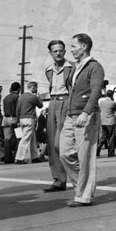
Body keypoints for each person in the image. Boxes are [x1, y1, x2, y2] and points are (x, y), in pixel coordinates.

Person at [59, 33, 104, 207]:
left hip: (86, 115)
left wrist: (86, 113)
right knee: (64, 152)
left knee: (85, 156)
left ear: (84, 47)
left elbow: (95, 91)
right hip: (71, 116)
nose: (71, 50)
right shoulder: (76, 67)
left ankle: (84, 196)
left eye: (73, 46)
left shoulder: (95, 67)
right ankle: (82, 188)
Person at [44, 39, 73, 192]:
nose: (58, 53)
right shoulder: (48, 70)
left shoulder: (72, 67)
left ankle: (77, 177)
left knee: (61, 143)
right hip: (53, 102)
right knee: (52, 143)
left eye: (60, 50)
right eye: (55, 51)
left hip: (66, 102)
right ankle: (58, 180)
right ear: (50, 53)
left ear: (64, 51)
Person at [15, 81, 43, 164]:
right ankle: (19, 158)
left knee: (32, 138)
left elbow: (18, 110)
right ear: (33, 87)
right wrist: (38, 96)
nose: (37, 89)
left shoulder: (21, 97)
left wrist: (18, 121)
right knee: (25, 139)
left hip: (22, 119)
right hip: (29, 118)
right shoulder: (32, 97)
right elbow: (40, 105)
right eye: (36, 87)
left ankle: (35, 157)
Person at [2, 82, 21, 164]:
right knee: (19, 138)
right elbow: (18, 109)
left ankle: (7, 157)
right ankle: (17, 156)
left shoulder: (5, 97)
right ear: (18, 89)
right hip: (14, 118)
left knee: (7, 139)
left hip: (5, 119)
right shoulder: (17, 97)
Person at [97, 90, 116, 157]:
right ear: (112, 95)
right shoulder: (112, 102)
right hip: (110, 122)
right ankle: (111, 152)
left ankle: (98, 149)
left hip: (103, 122)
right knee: (111, 137)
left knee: (103, 137)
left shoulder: (101, 102)